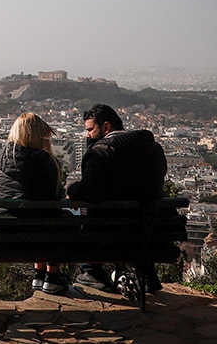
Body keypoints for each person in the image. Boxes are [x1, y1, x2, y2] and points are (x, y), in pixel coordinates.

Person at [67, 104, 168, 294]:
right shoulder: (153, 149)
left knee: (69, 220)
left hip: (108, 234)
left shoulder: (100, 153)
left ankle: (93, 272)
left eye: (90, 129)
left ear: (106, 127)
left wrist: (72, 188)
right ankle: (146, 273)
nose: (87, 135)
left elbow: (90, 191)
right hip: (148, 231)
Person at [0, 112, 68, 295]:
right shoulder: (46, 162)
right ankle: (52, 275)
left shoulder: (2, 159)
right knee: (55, 219)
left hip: (2, 235)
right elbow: (53, 203)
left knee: (33, 219)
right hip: (35, 236)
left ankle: (38, 272)